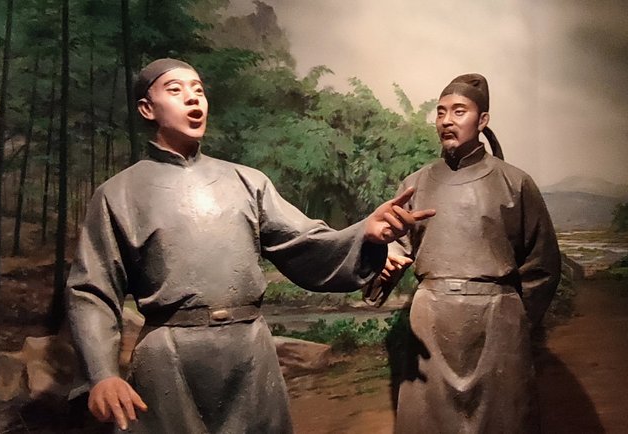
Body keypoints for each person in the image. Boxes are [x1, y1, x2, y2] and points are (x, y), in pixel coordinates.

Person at [66, 58, 435, 433]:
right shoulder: (118, 194)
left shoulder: (246, 182)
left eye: (198, 90)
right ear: (147, 108)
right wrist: (102, 373)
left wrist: (364, 233)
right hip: (167, 357)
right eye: (176, 90)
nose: (193, 99)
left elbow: (304, 242)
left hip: (249, 353)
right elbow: (92, 289)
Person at [366, 73, 561, 434]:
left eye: (459, 111)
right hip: (431, 323)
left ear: (482, 120)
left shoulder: (515, 182)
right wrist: (385, 263)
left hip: (497, 324)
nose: (446, 121)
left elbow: (543, 263)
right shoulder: (415, 184)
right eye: (441, 112)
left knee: (504, 422)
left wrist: (515, 320)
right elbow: (394, 244)